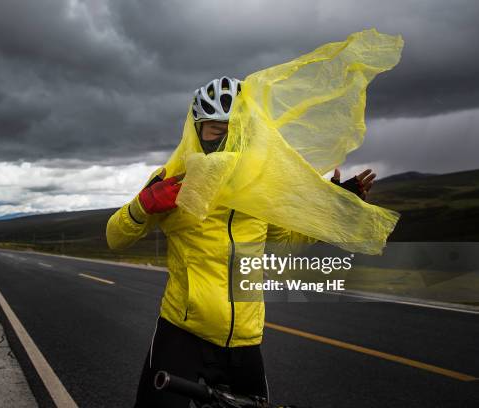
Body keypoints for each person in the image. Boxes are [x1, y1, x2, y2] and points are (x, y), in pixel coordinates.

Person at [106, 76, 375, 407]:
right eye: (213, 131)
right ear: (196, 130)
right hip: (182, 333)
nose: (222, 140)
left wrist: (337, 206)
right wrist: (143, 205)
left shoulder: (260, 185)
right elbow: (115, 238)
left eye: (231, 130)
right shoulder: (173, 179)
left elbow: (285, 240)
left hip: (245, 340)